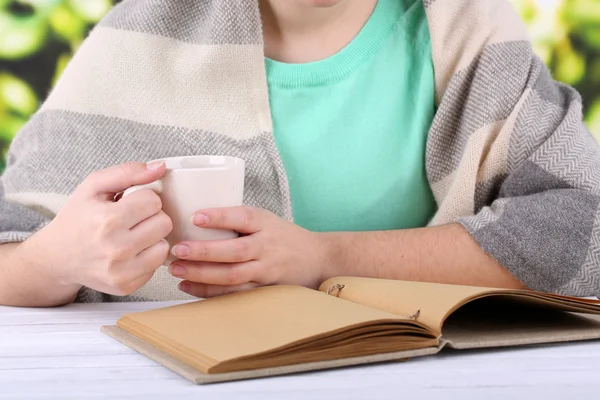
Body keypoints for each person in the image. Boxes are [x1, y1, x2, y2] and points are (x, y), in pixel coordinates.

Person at [1, 0, 599, 307]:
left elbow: (585, 226)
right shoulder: (139, 37)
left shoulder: (466, 31)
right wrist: (54, 262)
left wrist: (325, 257)